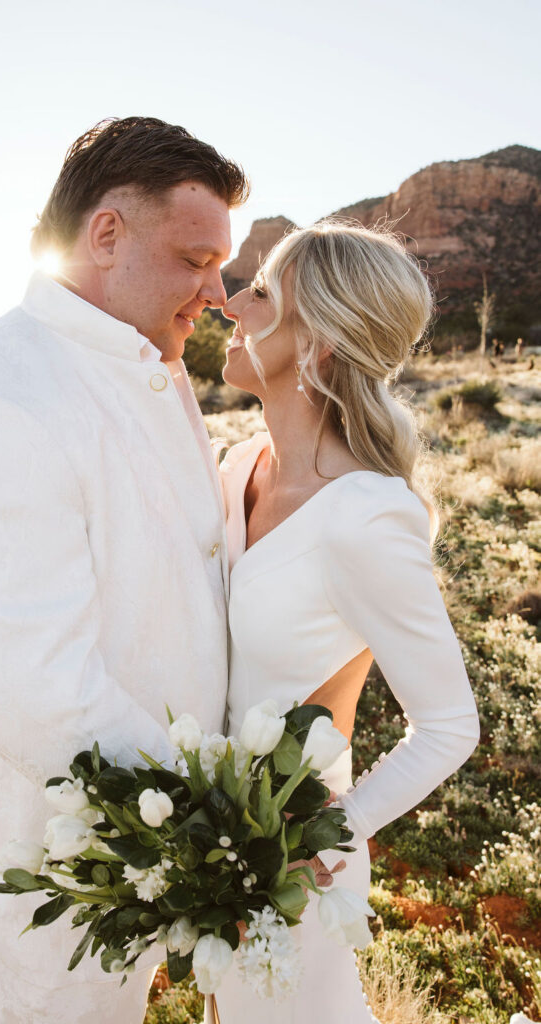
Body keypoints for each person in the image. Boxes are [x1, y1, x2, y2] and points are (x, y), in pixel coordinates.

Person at [0, 116, 249, 1024]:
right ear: (107, 233)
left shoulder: (149, 368)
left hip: (154, 848)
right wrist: (220, 822)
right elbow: (38, 691)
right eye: (194, 260)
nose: (217, 291)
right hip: (60, 880)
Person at [214, 221, 480, 1022]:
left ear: (319, 341)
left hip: (296, 863)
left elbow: (448, 725)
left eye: (260, 293)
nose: (231, 306)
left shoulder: (365, 517)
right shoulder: (234, 468)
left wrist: (329, 831)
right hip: (207, 844)